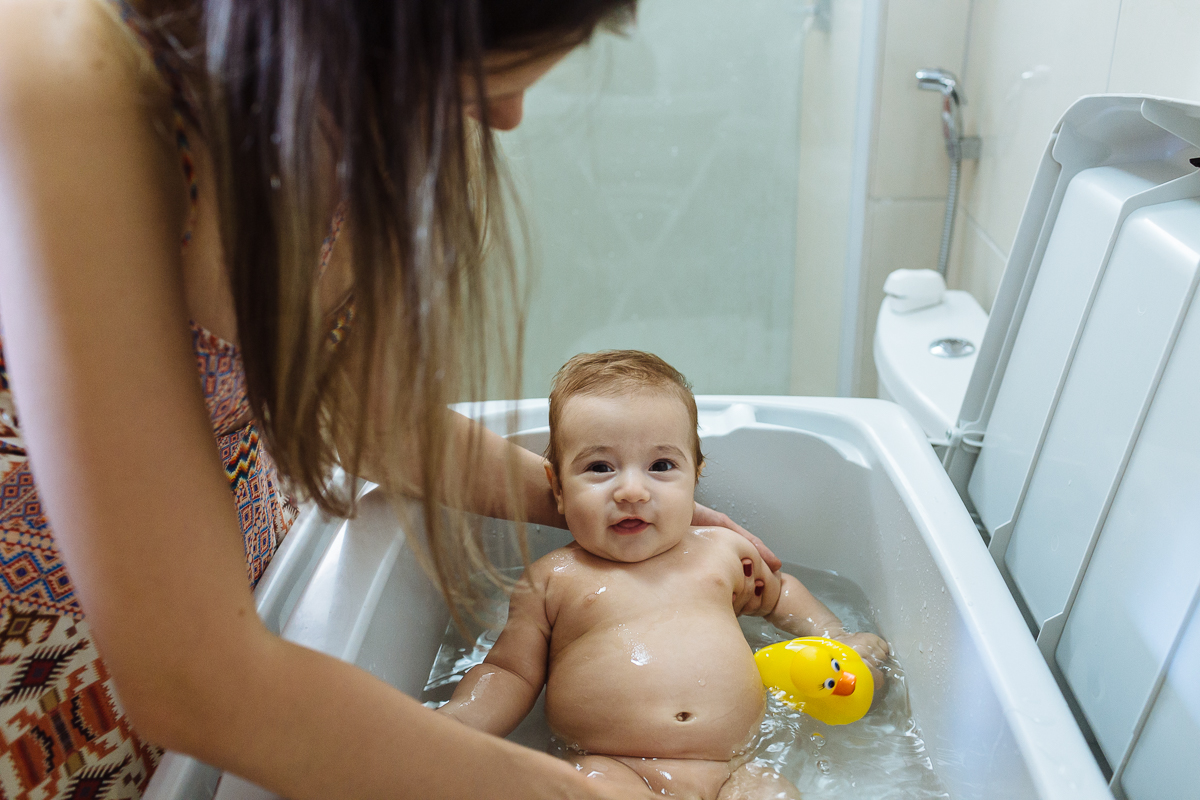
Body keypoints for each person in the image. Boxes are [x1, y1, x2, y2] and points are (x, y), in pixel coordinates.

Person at [0, 2, 781, 798]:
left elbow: (370, 421)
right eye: (475, 61)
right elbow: (191, 682)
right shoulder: (66, 72)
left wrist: (594, 502)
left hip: (251, 605)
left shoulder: (338, 120)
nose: (505, 117)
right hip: (51, 683)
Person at [437, 351, 890, 800]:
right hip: (611, 768)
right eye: (599, 467)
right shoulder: (552, 578)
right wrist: (459, 722)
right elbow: (509, 671)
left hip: (736, 767)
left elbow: (778, 596)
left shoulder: (723, 551)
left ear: (696, 477)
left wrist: (837, 638)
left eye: (661, 466)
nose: (632, 491)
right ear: (557, 487)